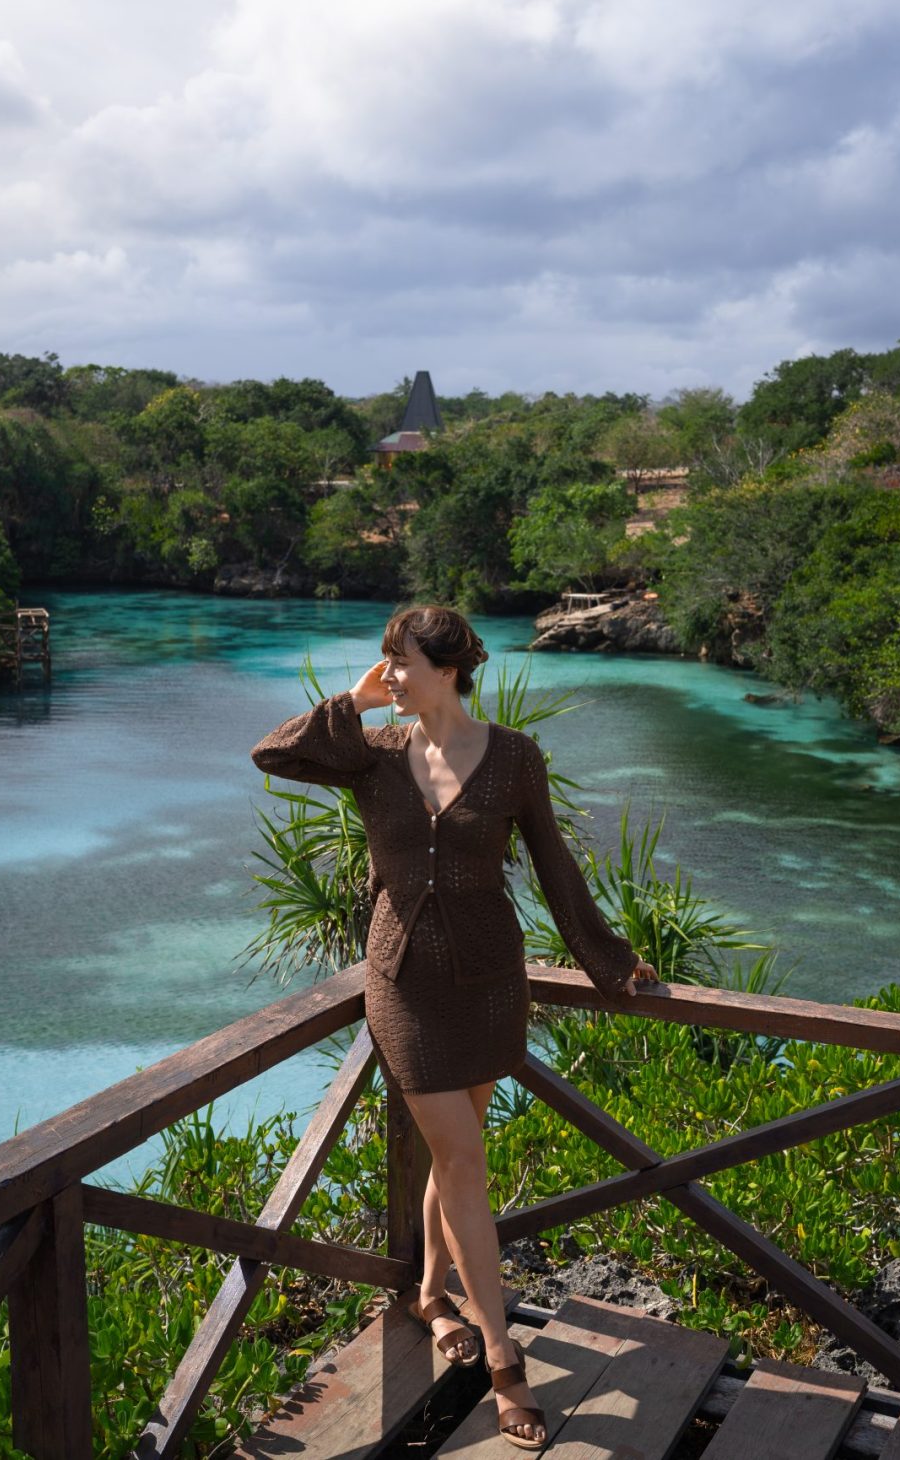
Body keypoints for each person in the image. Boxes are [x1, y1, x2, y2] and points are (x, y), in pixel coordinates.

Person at [250, 604, 659, 1449]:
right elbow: (273, 753)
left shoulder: (513, 758)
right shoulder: (374, 754)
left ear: (446, 669)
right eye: (384, 662)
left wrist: (610, 964)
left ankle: (430, 1296)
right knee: (464, 1157)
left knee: (457, 1148)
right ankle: (505, 1362)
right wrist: (353, 704)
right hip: (402, 986)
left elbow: (555, 870)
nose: (388, 674)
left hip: (488, 985)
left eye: (397, 662)